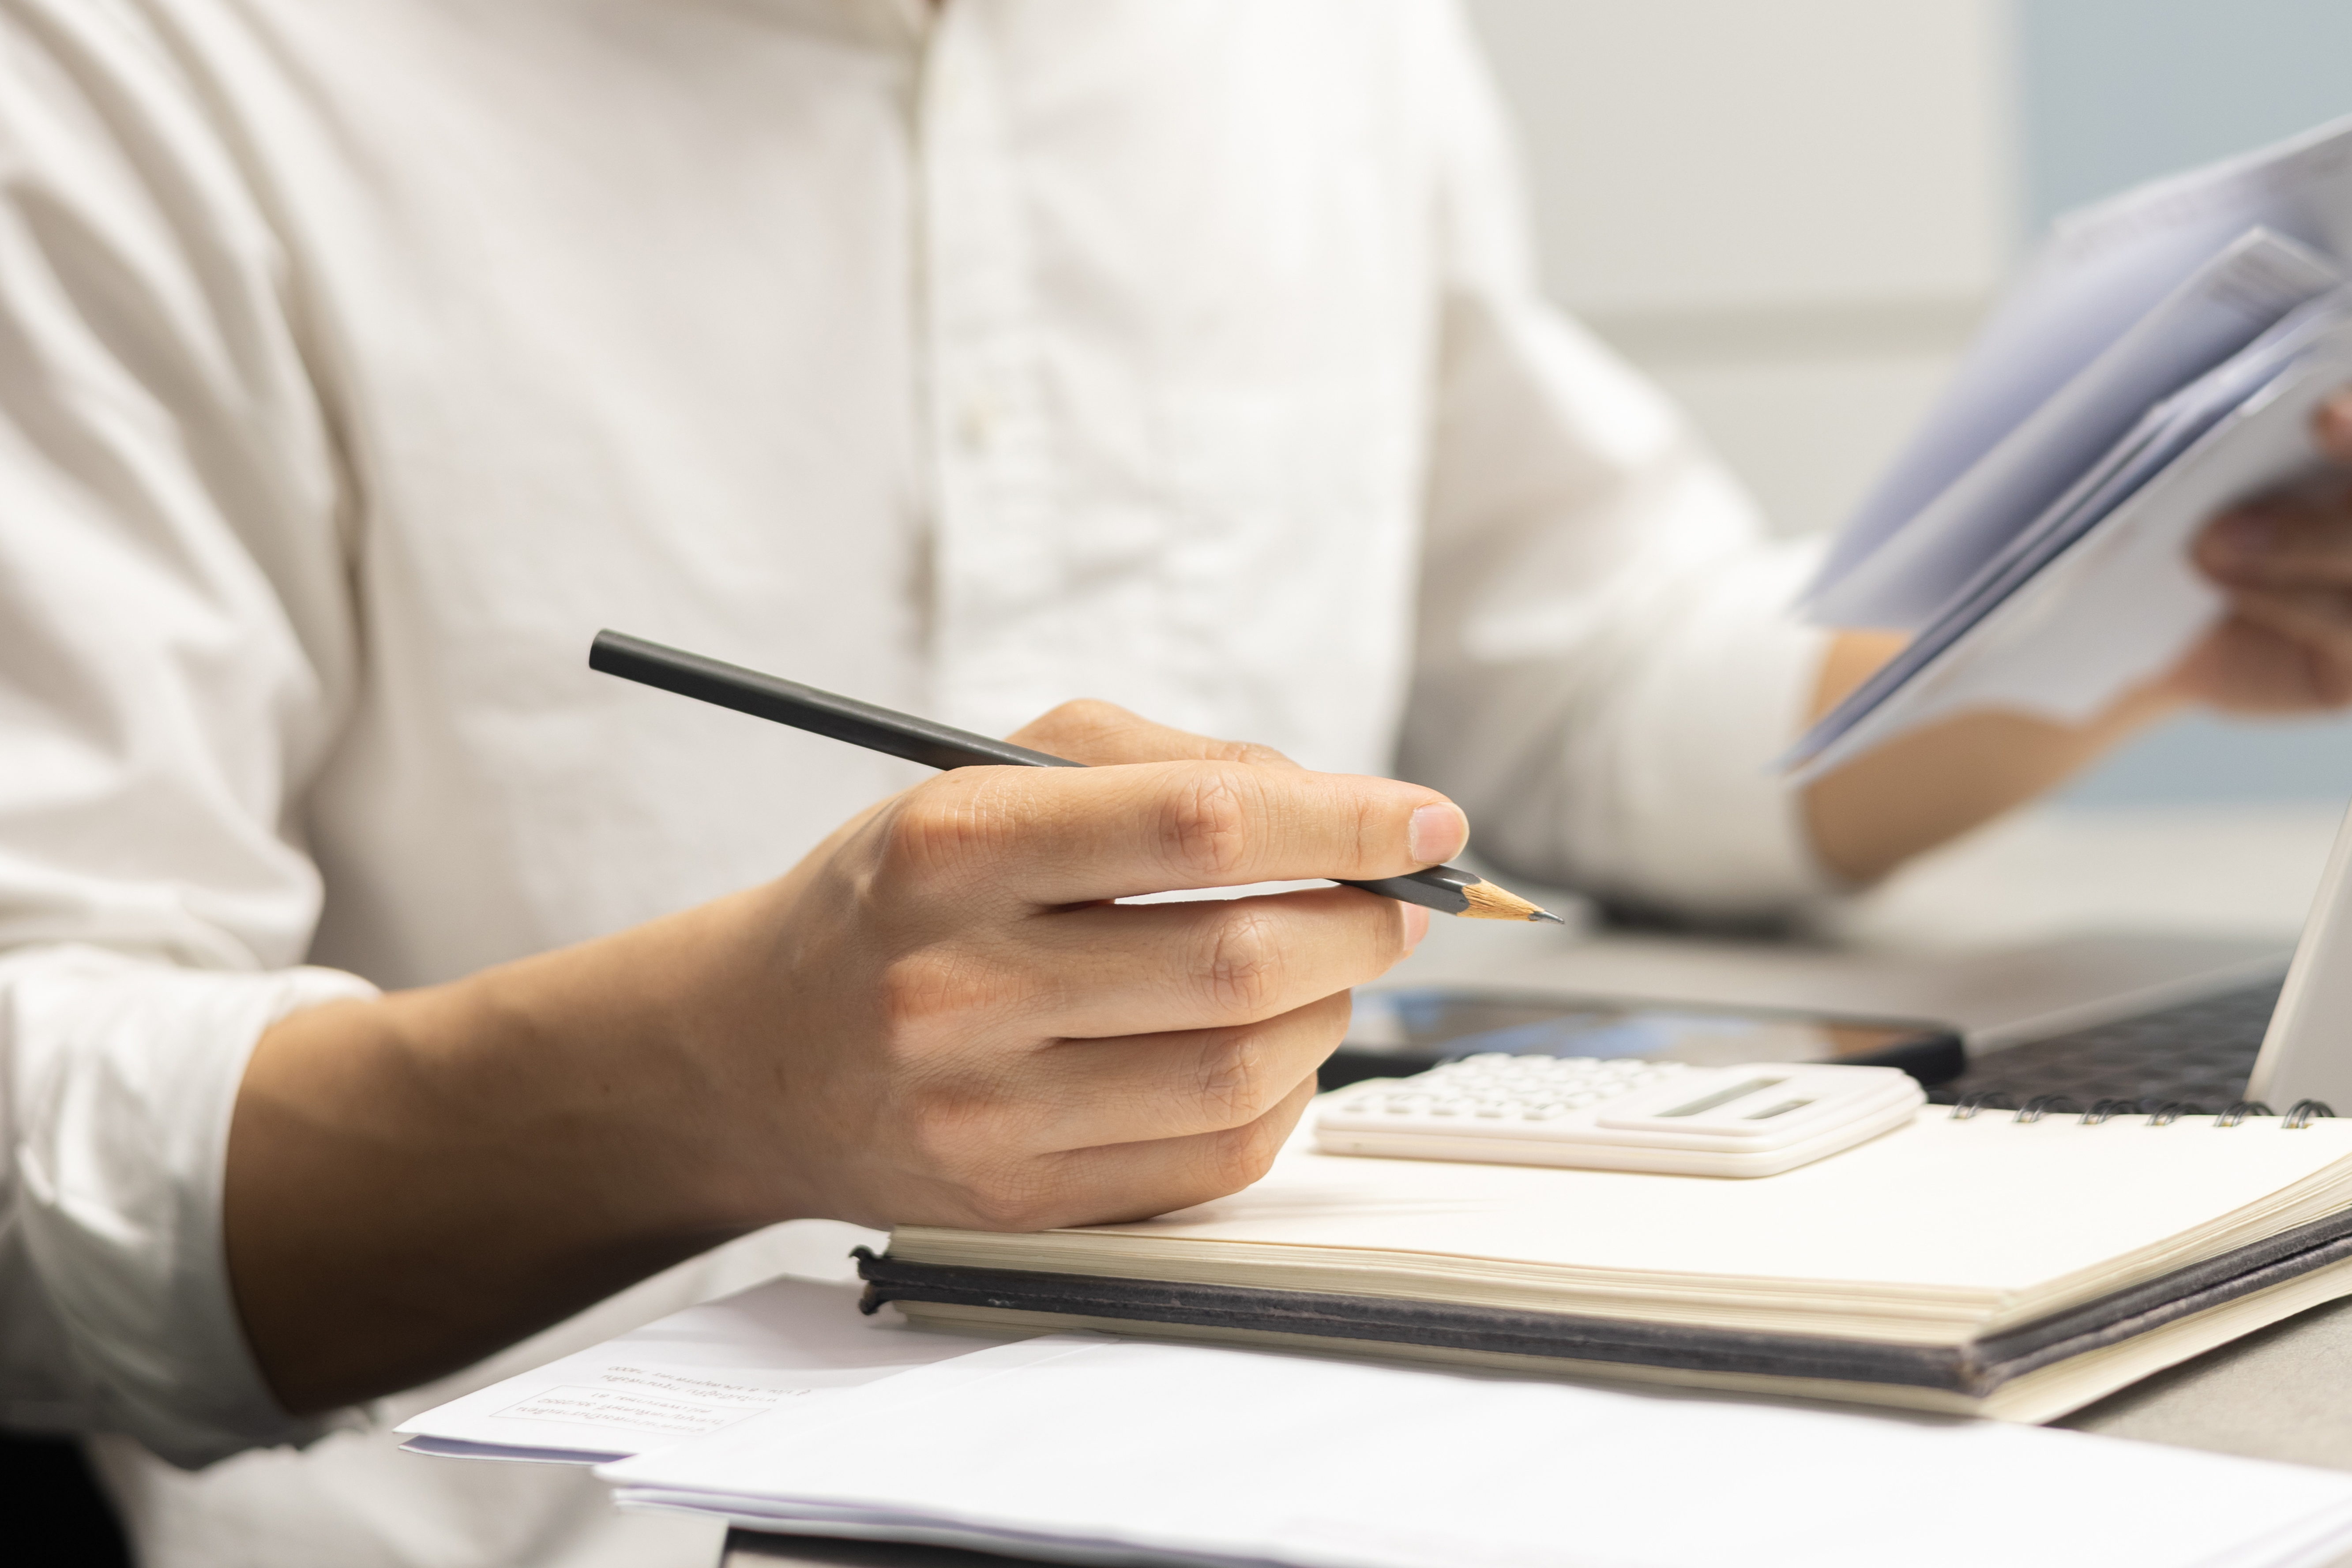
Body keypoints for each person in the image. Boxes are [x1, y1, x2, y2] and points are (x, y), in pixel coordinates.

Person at [7, 1, 2352, 1564]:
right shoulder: (121, 75)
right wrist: (710, 1084)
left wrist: (2150, 586)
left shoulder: (1307, 43)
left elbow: (1580, 685)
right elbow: (39, 1163)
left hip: (1326, 1487)